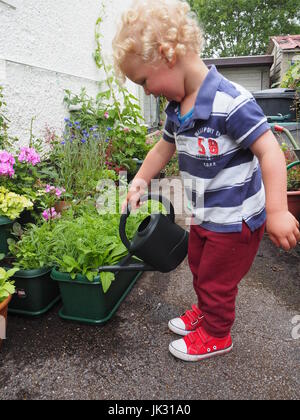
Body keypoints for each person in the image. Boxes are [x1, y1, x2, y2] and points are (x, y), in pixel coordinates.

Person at [112, 0, 300, 362]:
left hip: (234, 222)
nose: (147, 91)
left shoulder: (230, 101)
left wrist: (277, 210)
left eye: (144, 81)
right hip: (204, 214)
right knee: (199, 266)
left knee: (216, 279)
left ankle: (217, 333)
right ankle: (206, 308)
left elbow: (271, 153)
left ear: (166, 55)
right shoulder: (176, 109)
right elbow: (161, 151)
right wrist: (138, 181)